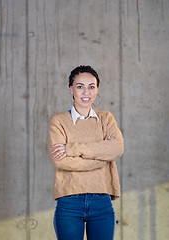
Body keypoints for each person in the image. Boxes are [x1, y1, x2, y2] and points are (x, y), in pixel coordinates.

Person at [48, 65, 124, 240]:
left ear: (97, 90)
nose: (86, 92)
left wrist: (73, 148)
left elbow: (117, 148)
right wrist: (102, 156)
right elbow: (61, 161)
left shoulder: (106, 118)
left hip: (102, 201)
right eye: (80, 86)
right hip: (69, 201)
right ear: (71, 89)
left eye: (91, 86)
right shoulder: (58, 121)